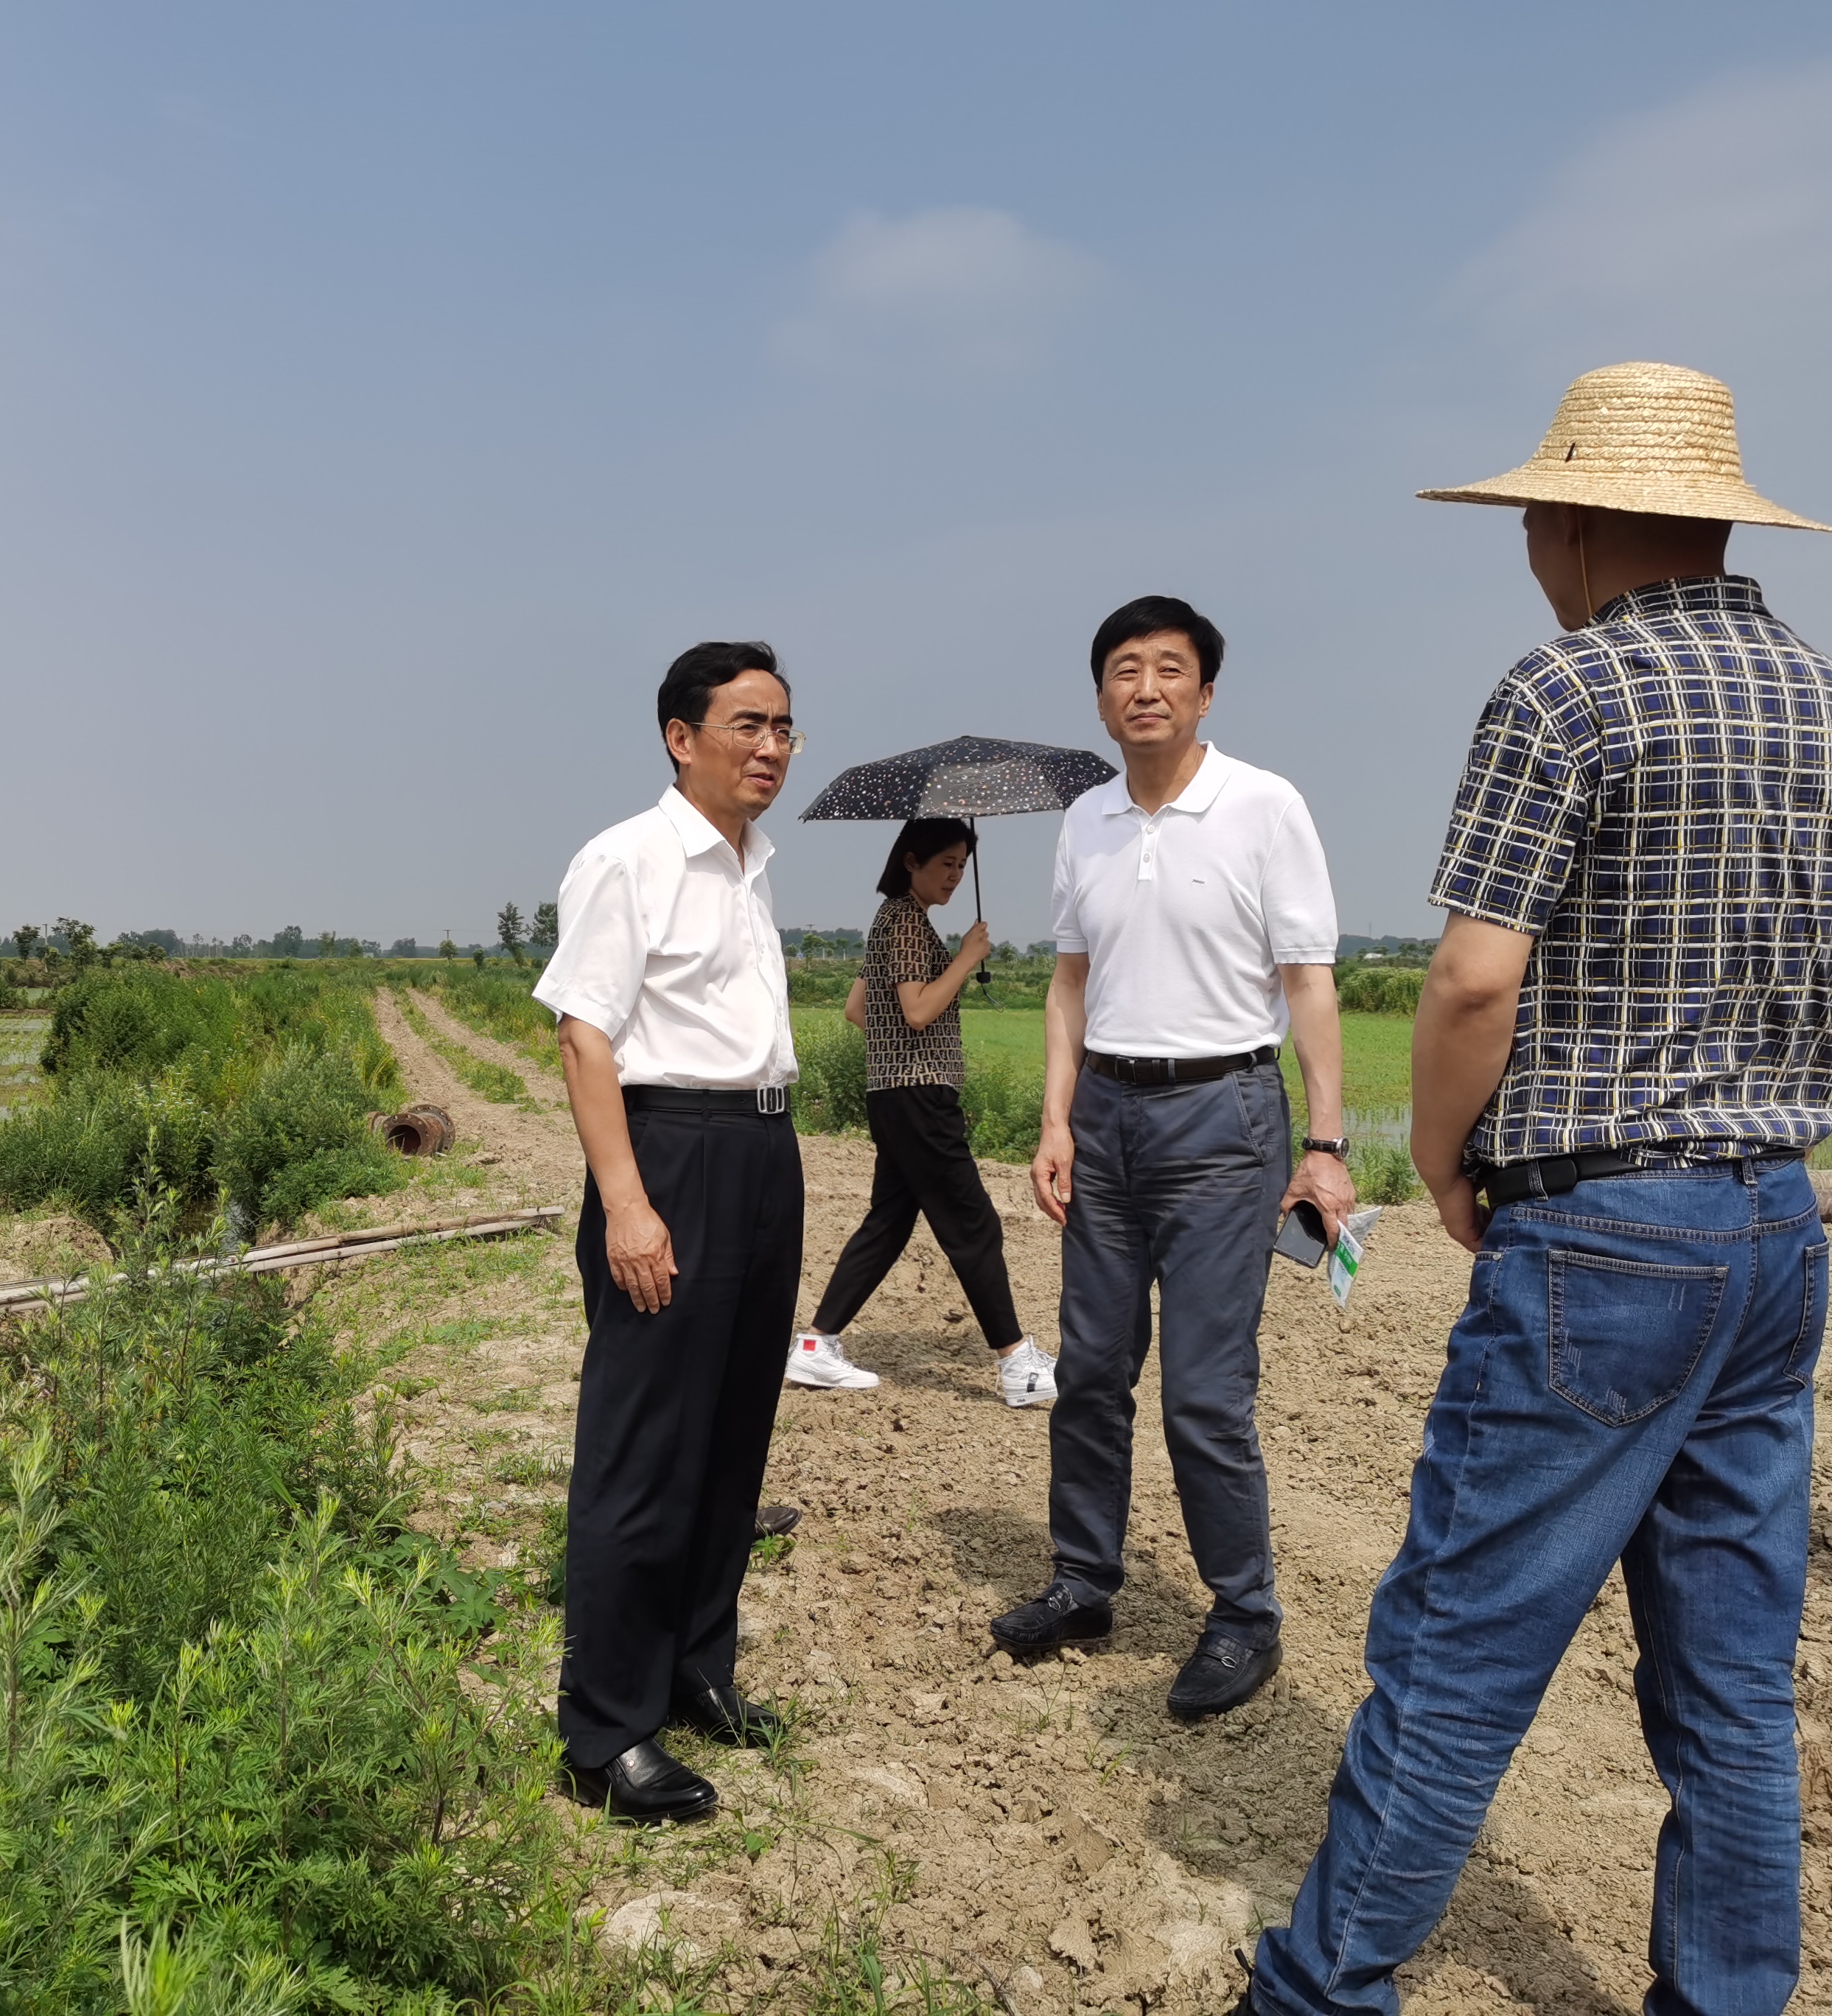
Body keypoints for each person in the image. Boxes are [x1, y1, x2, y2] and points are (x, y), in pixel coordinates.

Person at [1242, 362, 1832, 2016]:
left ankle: (1320, 1992)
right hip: (1772, 1222)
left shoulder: (1566, 690)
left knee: (1460, 1642)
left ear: (1585, 519)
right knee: (1732, 1676)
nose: (1531, 543)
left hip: (1603, 1226)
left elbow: (1474, 979)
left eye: (1537, 514)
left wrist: (1443, 1159)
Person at [988, 595, 1353, 1725]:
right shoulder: (1086, 819)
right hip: (1105, 1117)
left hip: (1223, 1118)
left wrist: (1326, 1144)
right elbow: (1070, 982)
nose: (1144, 688)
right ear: (1101, 697)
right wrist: (1056, 1121)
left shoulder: (1263, 806)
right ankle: (1084, 1581)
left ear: (1205, 691)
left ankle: (1244, 1613)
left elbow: (1308, 983)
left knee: (1204, 1390)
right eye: (1124, 671)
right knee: (1092, 1370)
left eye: (1168, 669)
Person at [532, 640, 805, 1824]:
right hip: (670, 1155)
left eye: (785, 727)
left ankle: (696, 1667)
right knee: (643, 1448)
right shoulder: (628, 859)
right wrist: (628, 1202)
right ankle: (606, 1731)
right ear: (679, 738)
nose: (772, 747)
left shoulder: (750, 867)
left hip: (763, 1150)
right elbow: (584, 1037)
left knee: (732, 1435)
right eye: (748, 724)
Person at [787, 817, 1060, 1405]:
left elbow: (857, 1008)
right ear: (911, 862)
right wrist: (965, 959)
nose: (956, 876)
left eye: (962, 865)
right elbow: (915, 1011)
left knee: (888, 1224)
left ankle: (815, 1345)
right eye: (945, 864)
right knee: (974, 1224)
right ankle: (1017, 1363)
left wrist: (900, 1046)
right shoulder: (909, 922)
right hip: (919, 1097)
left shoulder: (888, 920)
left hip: (893, 1095)